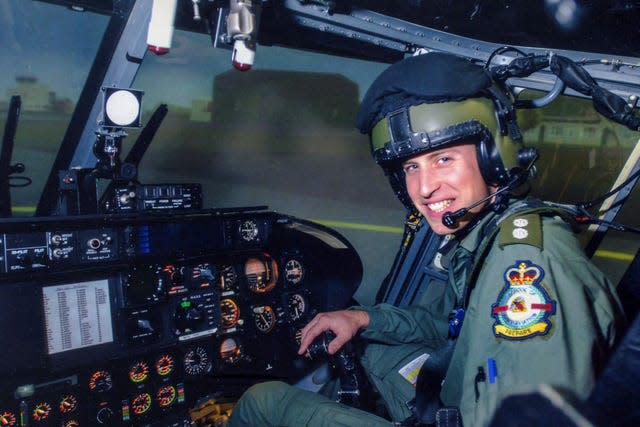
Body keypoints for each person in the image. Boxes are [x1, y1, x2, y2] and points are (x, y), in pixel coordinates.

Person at [226, 52, 625, 427]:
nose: (424, 187)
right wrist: (363, 318)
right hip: (455, 402)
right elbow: (446, 325)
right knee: (372, 347)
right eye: (411, 166)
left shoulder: (525, 263)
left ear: (493, 156)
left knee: (263, 400)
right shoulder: (486, 236)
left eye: (443, 159)